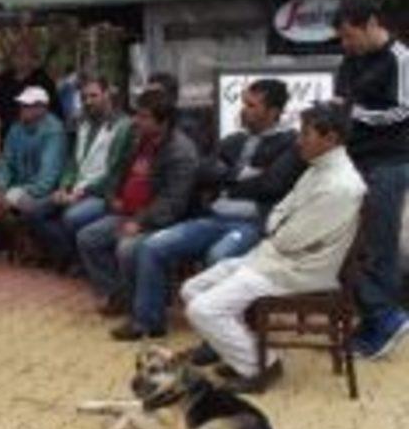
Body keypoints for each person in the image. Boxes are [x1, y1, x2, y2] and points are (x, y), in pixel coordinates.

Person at [182, 102, 366, 392]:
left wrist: (276, 229)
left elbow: (291, 240)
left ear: (330, 139)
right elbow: (280, 211)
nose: (299, 141)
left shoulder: (340, 185)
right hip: (276, 258)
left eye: (306, 134)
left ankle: (262, 366)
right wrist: (276, 228)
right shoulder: (318, 169)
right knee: (192, 289)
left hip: (298, 270)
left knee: (202, 309)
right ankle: (245, 354)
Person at [112, 79, 306, 341]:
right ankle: (149, 321)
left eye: (252, 105)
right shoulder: (235, 140)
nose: (244, 110)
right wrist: (240, 175)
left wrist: (229, 178)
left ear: (272, 111)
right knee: (152, 246)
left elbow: (272, 184)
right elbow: (202, 171)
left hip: (252, 223)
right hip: (213, 217)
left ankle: (219, 337)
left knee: (219, 256)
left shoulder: (291, 144)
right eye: (244, 103)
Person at [76, 88, 199, 317]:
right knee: (88, 237)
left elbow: (173, 202)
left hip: (157, 220)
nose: (136, 120)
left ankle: (145, 307)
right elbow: (120, 174)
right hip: (127, 213)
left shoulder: (180, 152)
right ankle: (118, 294)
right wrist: (113, 196)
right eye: (137, 115)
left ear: (163, 121)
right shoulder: (140, 140)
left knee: (127, 248)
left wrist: (140, 221)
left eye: (144, 117)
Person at [334, 0, 409, 359]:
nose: (346, 44)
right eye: (342, 38)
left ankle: (385, 320)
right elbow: (341, 99)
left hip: (390, 163)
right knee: (347, 244)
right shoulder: (350, 59)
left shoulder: (401, 58)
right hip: (353, 161)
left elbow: (403, 110)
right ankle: (378, 316)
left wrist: (355, 114)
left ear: (371, 24)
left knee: (381, 245)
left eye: (350, 36)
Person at [33, 76, 133, 269]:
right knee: (36, 212)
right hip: (76, 188)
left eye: (94, 96)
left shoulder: (123, 127)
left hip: (101, 193)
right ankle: (71, 256)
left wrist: (82, 193)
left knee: (72, 217)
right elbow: (73, 162)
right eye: (84, 97)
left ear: (107, 94)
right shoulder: (83, 123)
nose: (88, 101)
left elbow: (115, 173)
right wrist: (64, 186)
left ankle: (77, 261)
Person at [0, 86, 68, 255]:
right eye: (22, 104)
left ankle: (50, 249)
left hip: (46, 191)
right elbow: (5, 162)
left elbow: (48, 179)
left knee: (25, 206)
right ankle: (24, 243)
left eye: (28, 105)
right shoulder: (16, 128)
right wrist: (1, 188)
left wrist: (15, 195)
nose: (23, 108)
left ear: (42, 108)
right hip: (20, 187)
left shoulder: (54, 131)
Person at [0, 47, 61, 136]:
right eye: (18, 55)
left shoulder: (43, 80)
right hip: (11, 132)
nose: (21, 59)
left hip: (39, 133)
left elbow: (53, 108)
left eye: (26, 55)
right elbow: (1, 108)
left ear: (33, 59)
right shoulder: (3, 80)